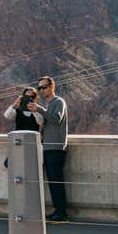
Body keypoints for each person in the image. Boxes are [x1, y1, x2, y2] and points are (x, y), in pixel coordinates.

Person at [29, 75, 69, 222]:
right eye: (39, 88)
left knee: (56, 182)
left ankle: (62, 214)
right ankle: (57, 211)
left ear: (52, 87)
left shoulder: (59, 102)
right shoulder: (49, 104)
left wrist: (39, 109)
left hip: (56, 149)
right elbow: (48, 123)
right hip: (48, 148)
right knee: (52, 182)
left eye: (44, 87)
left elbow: (56, 119)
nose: (41, 90)